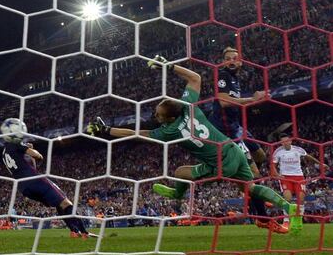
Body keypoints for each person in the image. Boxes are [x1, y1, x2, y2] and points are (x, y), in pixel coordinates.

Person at [87, 55, 302, 233]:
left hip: (220, 163)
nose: (156, 116)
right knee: (251, 187)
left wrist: (106, 130)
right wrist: (169, 66)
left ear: (169, 119)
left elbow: (135, 133)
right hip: (232, 149)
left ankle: (177, 194)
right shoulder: (189, 106)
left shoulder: (169, 131)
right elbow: (195, 78)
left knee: (180, 172)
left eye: (158, 115)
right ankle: (288, 207)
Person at [208, 47, 284, 231]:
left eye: (235, 58)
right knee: (254, 174)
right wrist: (253, 99)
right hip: (226, 131)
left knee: (260, 155)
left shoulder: (235, 79)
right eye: (228, 58)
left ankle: (252, 194)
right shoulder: (223, 75)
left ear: (241, 62)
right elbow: (224, 102)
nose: (232, 61)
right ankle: (262, 218)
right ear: (224, 62)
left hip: (237, 128)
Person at [0, 120, 97, 239]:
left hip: (23, 187)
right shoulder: (15, 145)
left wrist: (27, 153)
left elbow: (31, 166)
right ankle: (84, 232)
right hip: (35, 180)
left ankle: (74, 231)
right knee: (66, 202)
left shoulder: (4, 152)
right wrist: (30, 149)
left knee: (59, 204)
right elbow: (38, 156)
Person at [272, 133, 329, 227]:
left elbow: (308, 157)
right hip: (285, 177)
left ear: (290, 141)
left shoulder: (298, 150)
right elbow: (273, 166)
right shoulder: (278, 152)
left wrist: (321, 164)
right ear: (281, 143)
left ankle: (298, 219)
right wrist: (277, 175)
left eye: (287, 141)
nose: (285, 143)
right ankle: (286, 221)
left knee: (301, 198)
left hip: (299, 177)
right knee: (288, 198)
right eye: (283, 142)